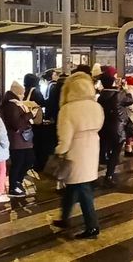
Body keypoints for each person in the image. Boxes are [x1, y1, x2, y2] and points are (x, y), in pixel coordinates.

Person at [52, 72, 104, 240]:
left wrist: (59, 151)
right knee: (74, 187)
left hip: (75, 152)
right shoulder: (95, 106)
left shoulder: (68, 109)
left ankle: (92, 226)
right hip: (92, 149)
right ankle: (64, 218)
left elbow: (65, 137)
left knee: (82, 190)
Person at [97, 67, 132, 187]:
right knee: (115, 154)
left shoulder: (101, 96)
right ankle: (109, 176)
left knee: (104, 149)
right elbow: (130, 101)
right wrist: (126, 89)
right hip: (117, 128)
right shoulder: (119, 94)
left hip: (104, 127)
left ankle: (99, 173)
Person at [1, 81, 35, 197]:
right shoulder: (12, 105)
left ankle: (17, 182)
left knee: (27, 160)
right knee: (18, 162)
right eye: (22, 93)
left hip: (22, 140)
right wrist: (30, 115)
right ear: (17, 93)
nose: (23, 96)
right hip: (17, 140)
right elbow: (16, 123)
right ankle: (13, 187)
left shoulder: (15, 103)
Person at [24, 74, 49, 175]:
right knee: (38, 143)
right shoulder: (36, 91)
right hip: (36, 121)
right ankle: (38, 164)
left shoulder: (26, 90)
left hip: (29, 120)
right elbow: (42, 103)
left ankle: (30, 163)